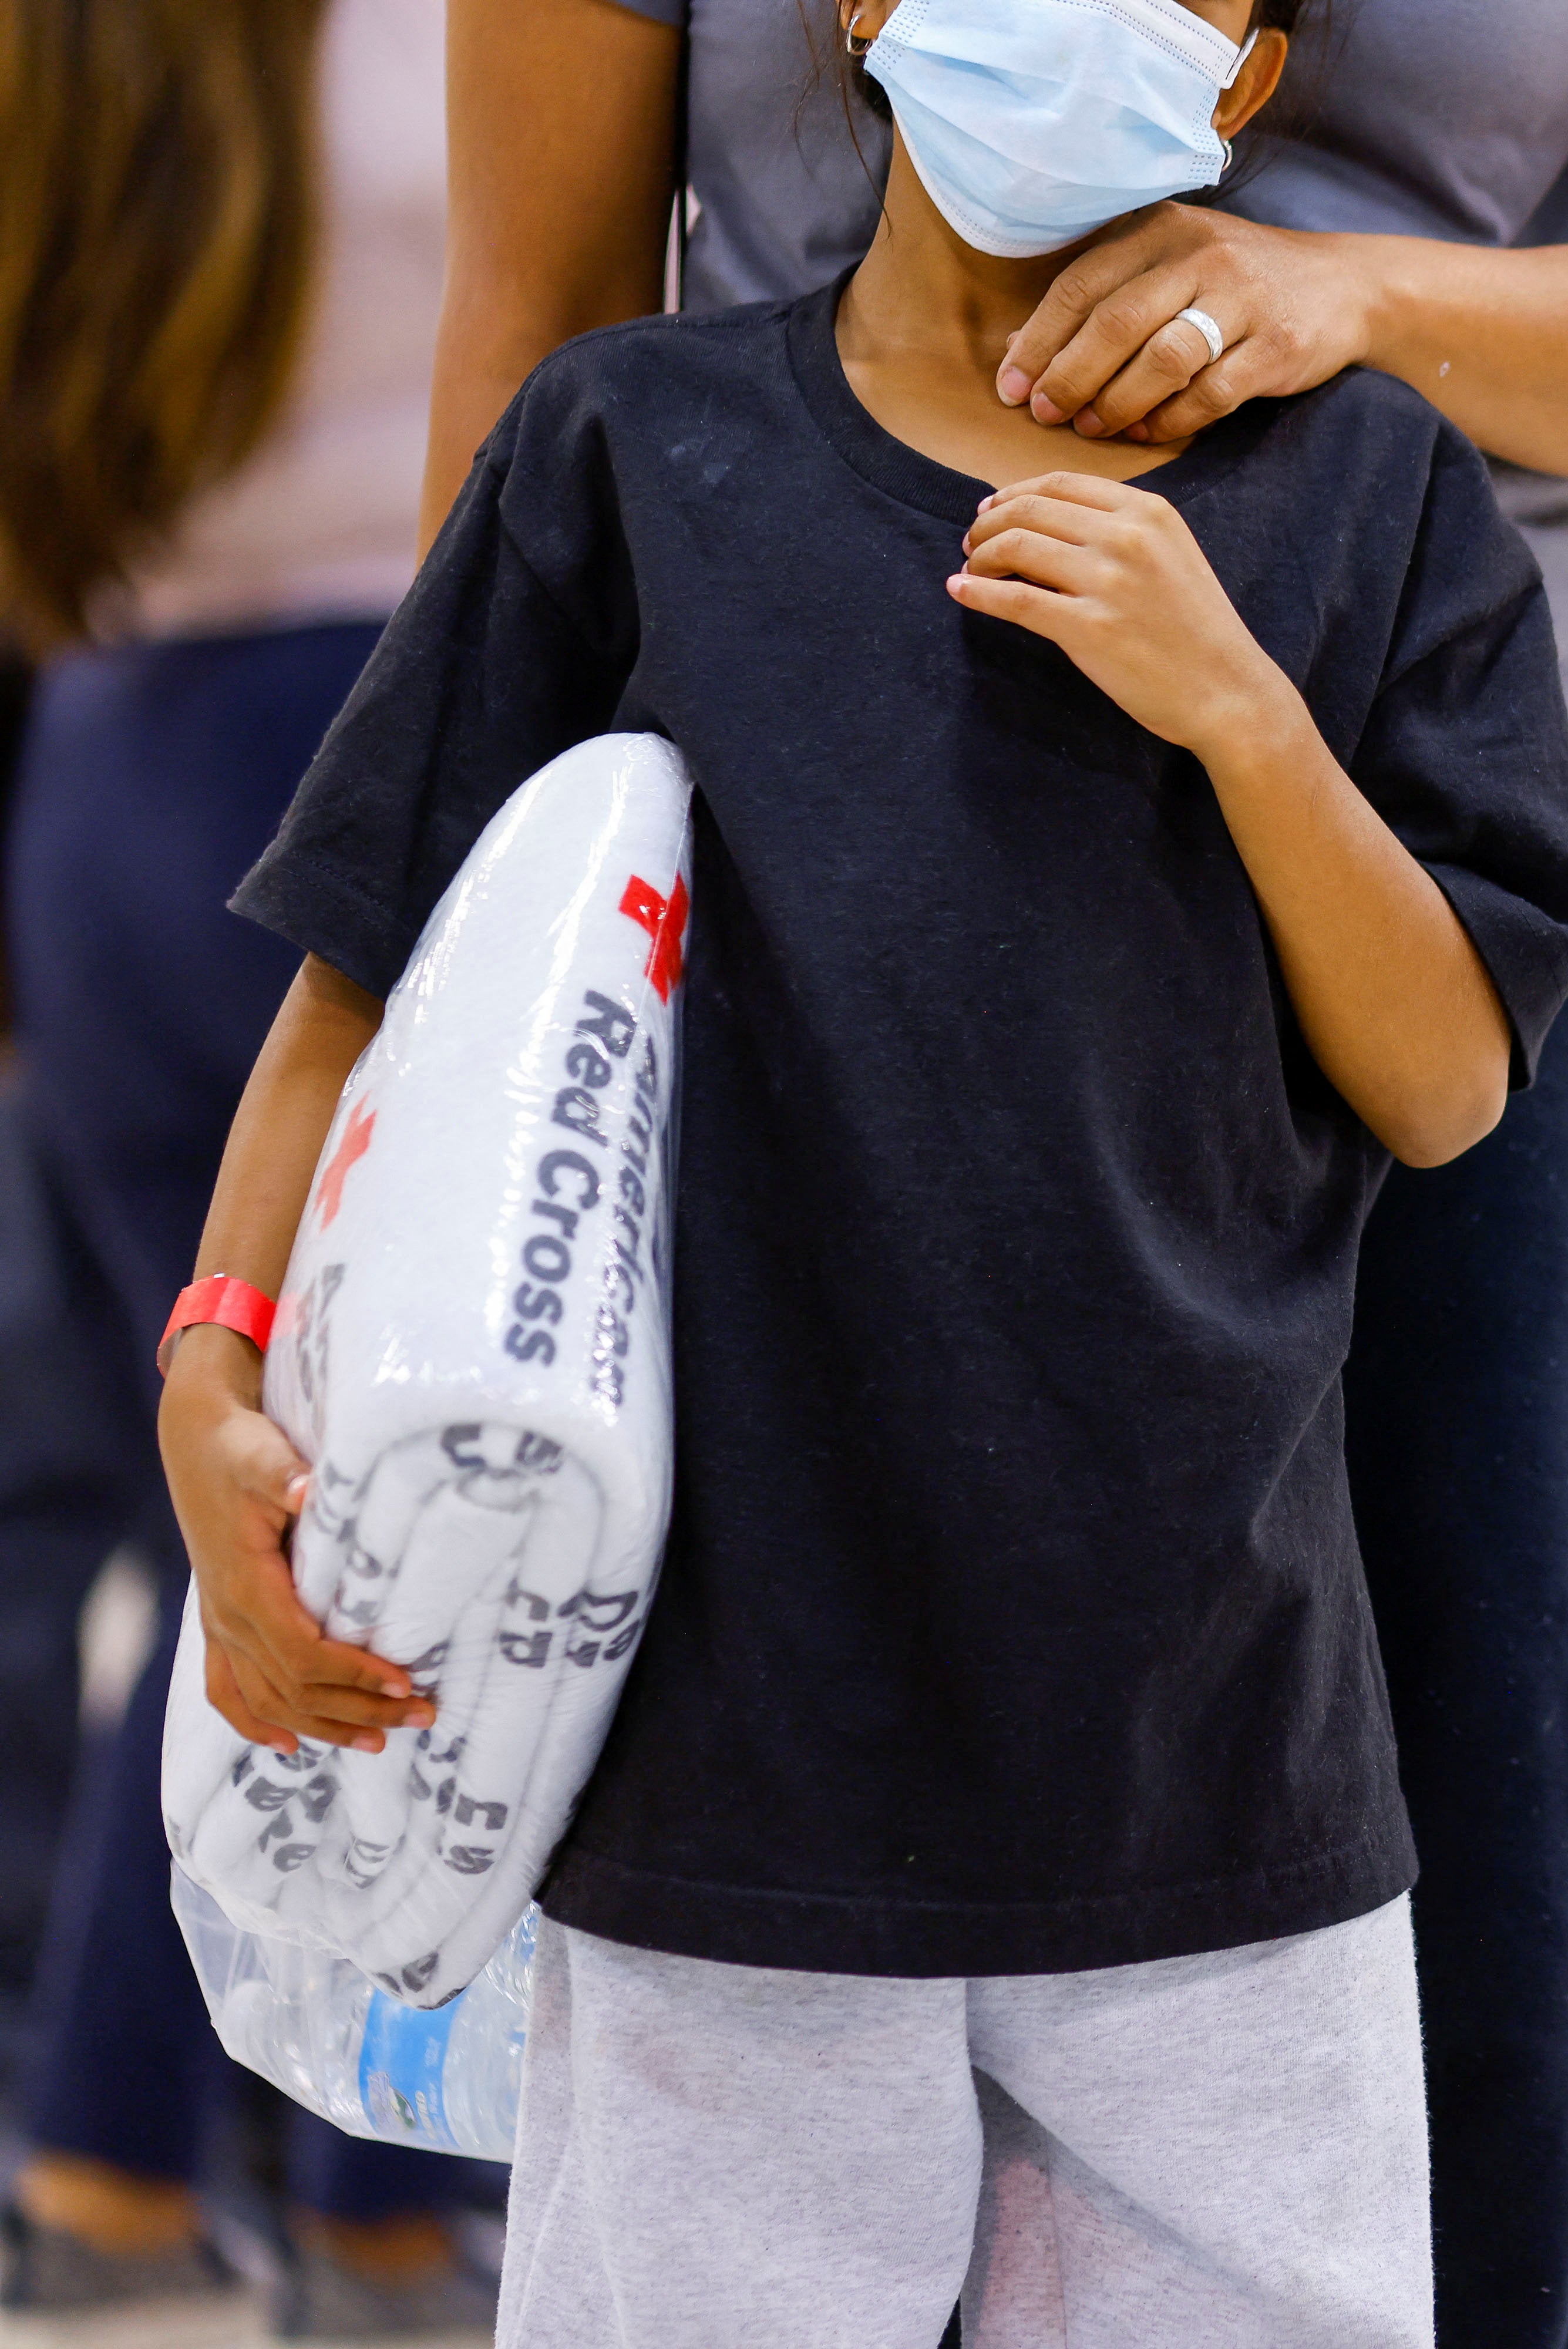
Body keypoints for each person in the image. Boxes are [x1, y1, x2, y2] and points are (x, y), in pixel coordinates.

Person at [169, 8, 1568, 2337]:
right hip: (735, 1788)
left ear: (1246, 76)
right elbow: (370, 982)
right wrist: (218, 1355)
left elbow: (1445, 1082)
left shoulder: (1375, 490)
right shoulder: (629, 448)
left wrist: (1236, 707)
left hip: (1214, 1788)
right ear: (859, 12)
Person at [0, 0, 506, 2328]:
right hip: (335, 752)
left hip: (106, 769)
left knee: (237, 1504)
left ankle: (165, 2164)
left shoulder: (90, 50)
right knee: (342, 1521)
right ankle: (320, 2188)